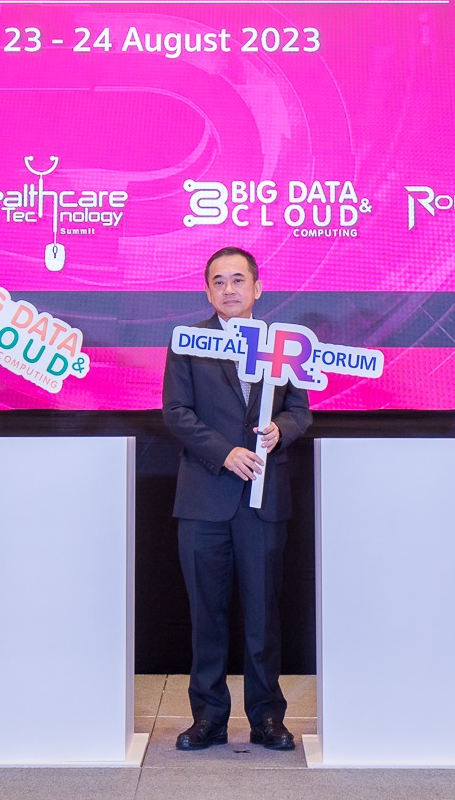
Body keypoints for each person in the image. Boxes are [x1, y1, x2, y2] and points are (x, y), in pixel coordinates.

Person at [162, 246, 312, 752]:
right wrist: (224, 453)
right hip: (204, 499)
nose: (229, 289)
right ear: (208, 291)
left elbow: (300, 411)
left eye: (238, 280)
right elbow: (176, 412)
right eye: (219, 281)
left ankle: (267, 717)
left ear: (257, 287)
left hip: (263, 501)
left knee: (263, 616)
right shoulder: (188, 342)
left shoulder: (283, 345)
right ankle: (208, 718)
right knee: (207, 615)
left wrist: (281, 429)